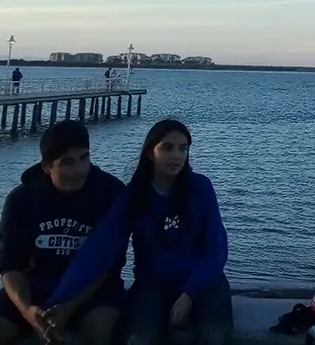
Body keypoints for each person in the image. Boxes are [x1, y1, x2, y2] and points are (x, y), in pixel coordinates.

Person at [45, 119, 232, 345]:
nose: (177, 155)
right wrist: (57, 300)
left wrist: (188, 294)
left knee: (214, 336)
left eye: (183, 148)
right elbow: (98, 251)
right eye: (167, 147)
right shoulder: (133, 196)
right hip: (152, 284)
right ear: (151, 152)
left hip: (204, 281)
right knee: (138, 339)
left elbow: (217, 250)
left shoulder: (201, 188)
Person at [0, 120, 126, 345]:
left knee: (101, 327)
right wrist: (27, 311)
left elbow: (110, 266)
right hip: (35, 286)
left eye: (84, 158)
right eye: (68, 162)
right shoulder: (22, 199)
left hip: (93, 290)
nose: (80, 170)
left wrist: (67, 308)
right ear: (46, 167)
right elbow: (9, 265)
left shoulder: (111, 194)